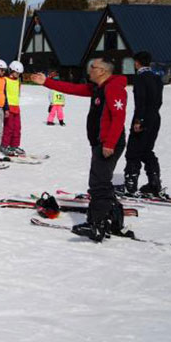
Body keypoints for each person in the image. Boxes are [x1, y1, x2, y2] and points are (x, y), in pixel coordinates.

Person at [30, 58, 129, 242]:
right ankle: (113, 218)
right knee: (101, 181)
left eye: (93, 67)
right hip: (101, 141)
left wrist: (109, 144)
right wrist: (47, 82)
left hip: (108, 143)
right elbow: (73, 89)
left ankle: (96, 225)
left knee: (98, 184)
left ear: (102, 71)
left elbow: (118, 117)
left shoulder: (113, 87)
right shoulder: (98, 87)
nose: (89, 70)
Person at [123, 51, 164, 196]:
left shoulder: (140, 78)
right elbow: (159, 101)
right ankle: (154, 183)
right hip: (155, 117)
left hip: (143, 118)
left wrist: (139, 120)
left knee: (133, 151)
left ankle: (130, 185)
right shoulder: (157, 77)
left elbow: (140, 100)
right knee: (147, 151)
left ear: (137, 62)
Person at [1, 61, 25, 156]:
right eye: (16, 73)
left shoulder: (18, 81)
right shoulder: (5, 80)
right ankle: (5, 145)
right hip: (8, 106)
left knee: (17, 128)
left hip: (16, 107)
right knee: (9, 128)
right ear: (11, 70)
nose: (18, 75)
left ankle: (14, 145)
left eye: (19, 74)